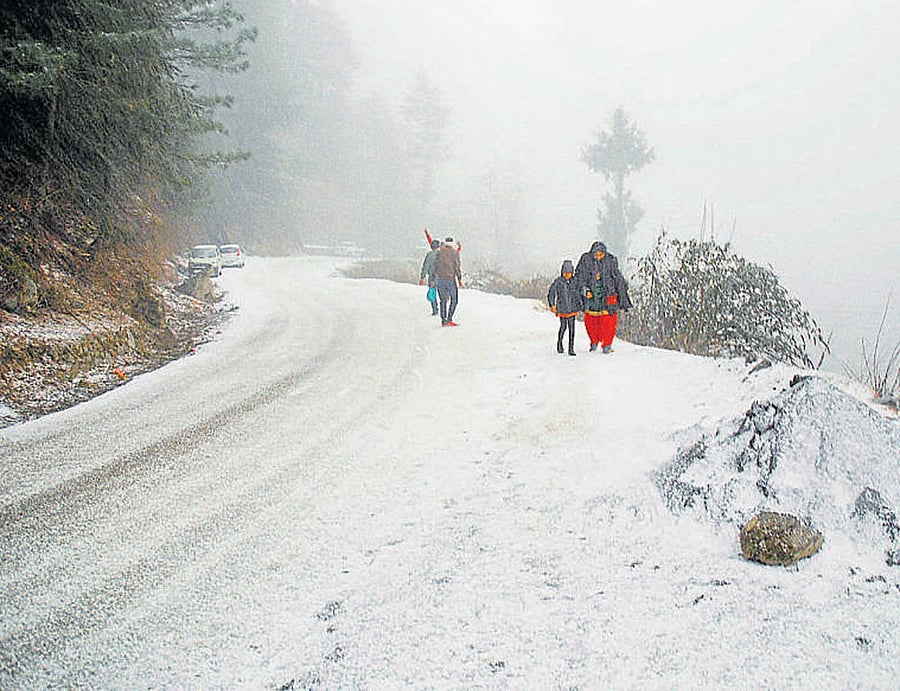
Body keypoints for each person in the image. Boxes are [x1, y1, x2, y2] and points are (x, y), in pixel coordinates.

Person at [577, 241, 632, 353]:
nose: (598, 257)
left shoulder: (610, 261)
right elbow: (579, 278)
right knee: (591, 322)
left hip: (607, 295)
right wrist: (584, 290)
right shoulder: (585, 260)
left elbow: (617, 279)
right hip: (591, 297)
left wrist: (622, 297)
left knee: (608, 322)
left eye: (600, 254)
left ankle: (607, 344)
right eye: (596, 255)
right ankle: (594, 342)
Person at [547, 259, 582, 356]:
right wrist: (552, 305)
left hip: (572, 309)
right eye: (565, 273)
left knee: (572, 329)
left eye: (569, 273)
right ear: (562, 272)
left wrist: (580, 305)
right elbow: (551, 293)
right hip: (562, 309)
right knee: (563, 327)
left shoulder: (575, 282)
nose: (567, 275)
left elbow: (578, 293)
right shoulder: (558, 282)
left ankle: (571, 348)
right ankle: (559, 343)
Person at [434, 236, 462, 326]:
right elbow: (457, 267)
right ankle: (449, 318)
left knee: (443, 300)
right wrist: (459, 279)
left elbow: (435, 266)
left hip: (441, 279)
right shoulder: (455, 253)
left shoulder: (439, 252)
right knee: (454, 300)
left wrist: (434, 277)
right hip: (450, 279)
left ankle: (443, 320)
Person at [419, 238, 441, 315]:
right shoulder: (442, 254)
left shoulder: (429, 255)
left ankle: (435, 309)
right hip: (442, 276)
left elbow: (425, 266)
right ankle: (443, 308)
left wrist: (422, 277)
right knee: (442, 292)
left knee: (432, 292)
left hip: (432, 277)